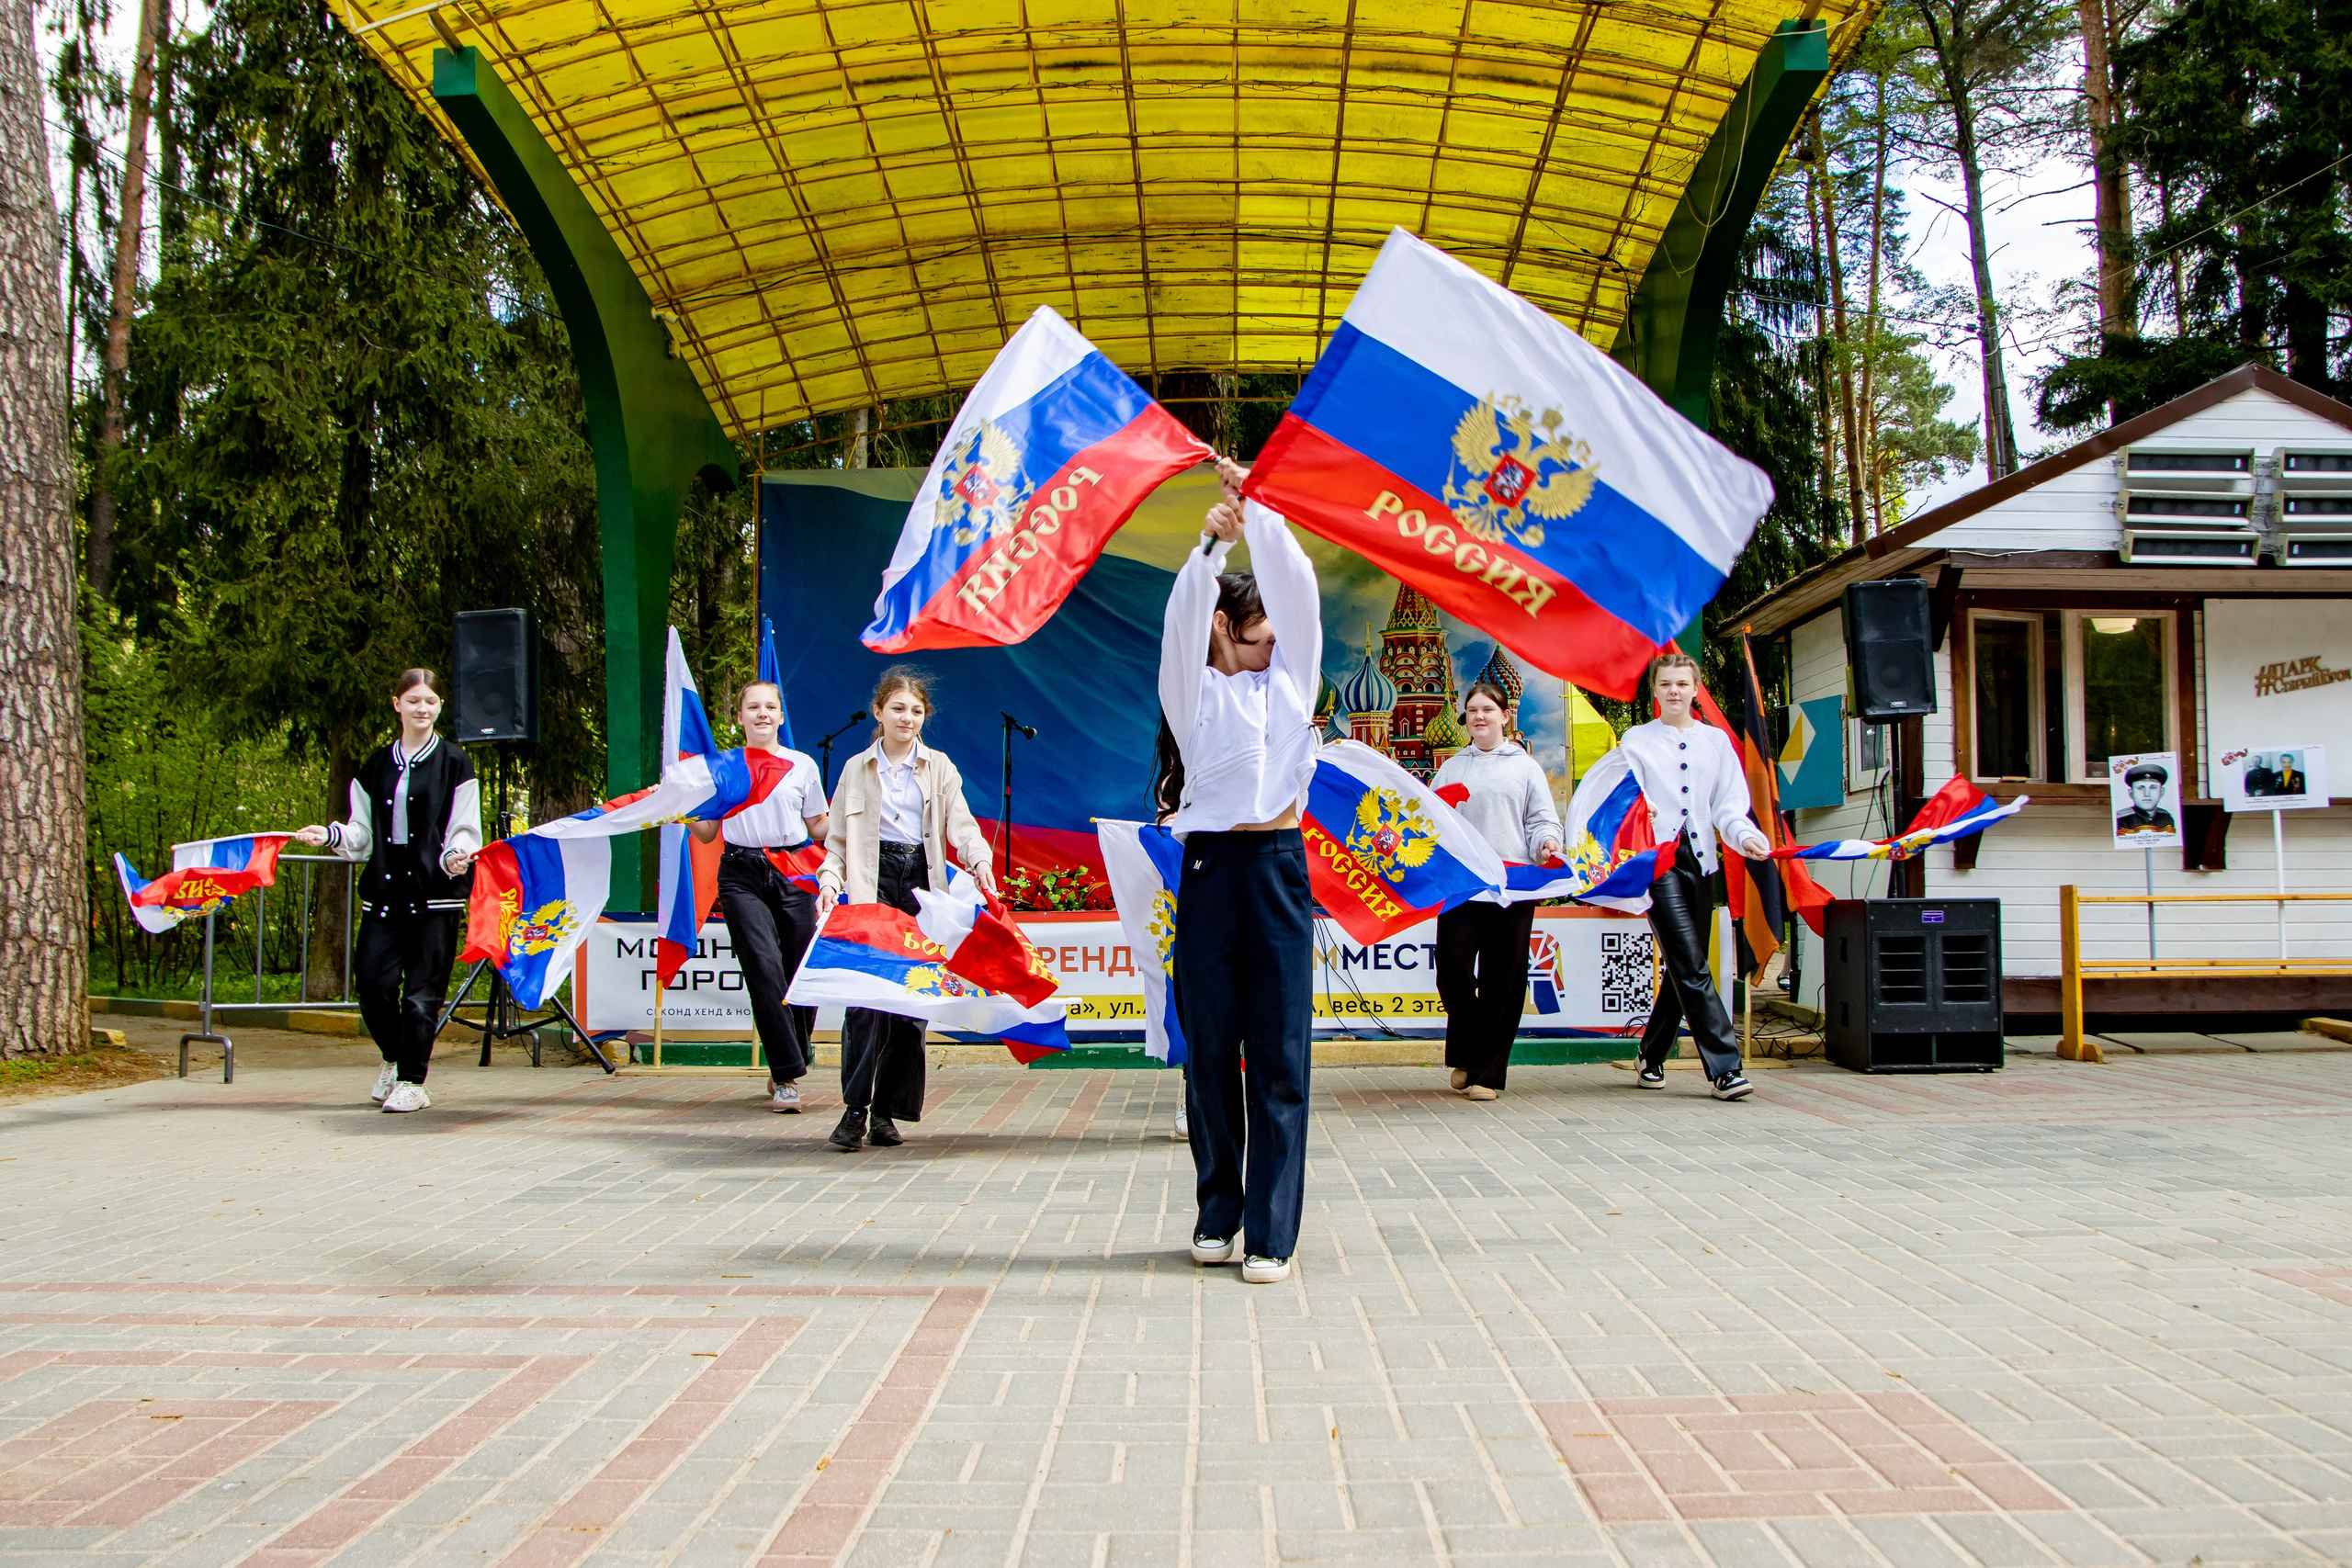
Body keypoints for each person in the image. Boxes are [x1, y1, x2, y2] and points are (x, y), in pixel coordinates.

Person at [1157, 459, 1321, 1286]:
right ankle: (1218, 1208)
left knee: (1281, 1057)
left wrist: (1261, 511)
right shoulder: (1193, 695)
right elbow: (1183, 621)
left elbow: (1296, 592)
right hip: (1212, 870)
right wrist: (1210, 548)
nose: (1272, 648)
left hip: (1279, 872)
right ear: (1226, 627)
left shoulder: (1292, 684)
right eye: (1256, 636)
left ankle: (1272, 1232)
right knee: (1212, 1051)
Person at [819, 669, 995, 1151]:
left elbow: (962, 824)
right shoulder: (856, 768)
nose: (907, 717)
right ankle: (853, 1110)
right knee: (865, 1000)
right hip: (869, 884)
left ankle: (886, 1113)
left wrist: (979, 860)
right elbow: (837, 844)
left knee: (911, 1003)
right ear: (878, 712)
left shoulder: (939, 766)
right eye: (898, 708)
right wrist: (830, 883)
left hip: (920, 883)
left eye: (916, 710)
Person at [294, 669, 481, 1113]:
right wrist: (332, 835)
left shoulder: (456, 763)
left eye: (431, 702)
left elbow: (464, 826)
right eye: (413, 700)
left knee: (422, 995)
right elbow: (361, 833)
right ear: (396, 704)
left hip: (435, 895)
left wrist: (457, 854)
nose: (422, 708)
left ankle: (413, 1082)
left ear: (439, 708)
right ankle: (395, 1058)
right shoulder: (374, 765)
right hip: (383, 895)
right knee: (373, 987)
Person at [1619, 652, 1770, 1101]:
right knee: (1690, 961)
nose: (1673, 691)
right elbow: (1627, 799)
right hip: (1658, 860)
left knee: (1685, 966)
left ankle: (1650, 1052)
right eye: (1665, 683)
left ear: (1695, 688)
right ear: (1654, 690)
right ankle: (1725, 1067)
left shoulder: (1716, 742)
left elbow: (1728, 805)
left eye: (1682, 684)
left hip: (1702, 858)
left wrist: (1745, 836)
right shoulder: (1636, 740)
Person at [693, 682, 830, 1114]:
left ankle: (790, 1055)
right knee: (763, 969)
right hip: (740, 873)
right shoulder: (722, 767)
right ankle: (786, 1075)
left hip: (794, 871)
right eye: (753, 707)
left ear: (781, 716)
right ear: (740, 717)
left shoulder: (801, 764)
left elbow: (819, 828)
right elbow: (709, 831)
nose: (763, 713)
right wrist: (680, 811)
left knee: (799, 975)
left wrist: (861, 820)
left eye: (770, 706)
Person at [1431, 682, 1562, 1102]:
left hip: (1513, 885)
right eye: (1472, 710)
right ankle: (1469, 1051)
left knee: (1502, 980)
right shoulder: (1452, 767)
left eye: (1488, 709)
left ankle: (1485, 1072)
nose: (1480, 717)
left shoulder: (1525, 768)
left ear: (1506, 716)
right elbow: (1430, 820)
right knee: (1451, 973)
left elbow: (1542, 820)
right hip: (1463, 885)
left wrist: (1546, 843)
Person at [2115, 761, 2176, 835]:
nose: (2147, 794)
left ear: (2161, 792)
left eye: (2153, 787)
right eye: (2140, 788)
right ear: (2131, 793)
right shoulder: (2121, 820)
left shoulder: (2167, 819)